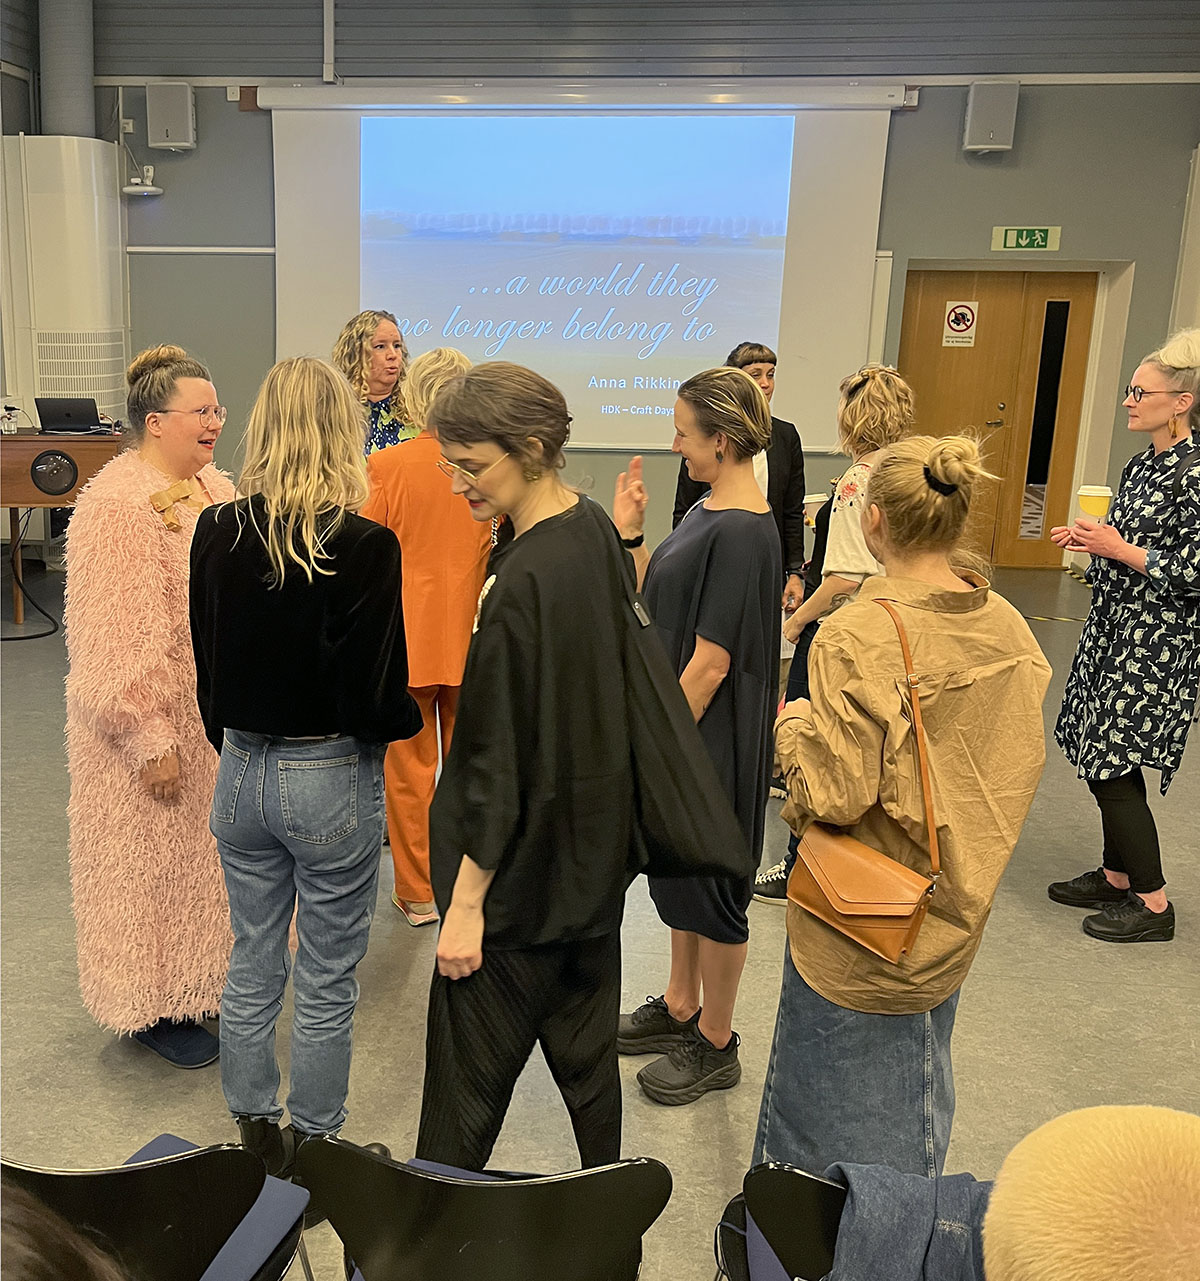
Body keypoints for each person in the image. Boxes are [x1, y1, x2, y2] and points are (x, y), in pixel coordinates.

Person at [755, 435, 1051, 1177]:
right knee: (916, 1096)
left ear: (874, 519)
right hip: (954, 904)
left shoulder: (859, 634)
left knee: (825, 1132)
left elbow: (835, 792)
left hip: (862, 925)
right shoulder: (1008, 627)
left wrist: (792, 725)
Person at [189, 356, 421, 1177]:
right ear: (340, 431)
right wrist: (397, 733)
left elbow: (207, 664)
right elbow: (376, 693)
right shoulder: (365, 545)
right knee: (326, 974)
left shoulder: (215, 531)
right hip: (327, 773)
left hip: (240, 766)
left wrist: (234, 741)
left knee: (253, 954)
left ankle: (255, 1133)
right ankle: (316, 1144)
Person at [415, 362, 637, 1171]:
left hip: (511, 898)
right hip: (584, 879)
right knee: (593, 1094)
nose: (458, 485)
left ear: (533, 449)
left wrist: (466, 904)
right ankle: (610, 1229)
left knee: (457, 1116)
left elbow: (500, 752)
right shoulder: (593, 531)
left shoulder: (518, 581)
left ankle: (427, 1231)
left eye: (472, 466)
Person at [63, 344, 234, 1069]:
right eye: (202, 411)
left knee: (198, 867)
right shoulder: (115, 506)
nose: (216, 422)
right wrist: (148, 736)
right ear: (156, 421)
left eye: (218, 410)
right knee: (145, 868)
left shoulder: (213, 487)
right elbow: (112, 639)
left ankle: (196, 982)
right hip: (150, 733)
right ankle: (150, 1003)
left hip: (207, 719)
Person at [615, 367, 781, 1105]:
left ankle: (715, 1039)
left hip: (709, 732)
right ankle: (681, 1002)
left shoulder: (744, 530)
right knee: (680, 869)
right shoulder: (708, 508)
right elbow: (661, 600)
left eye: (684, 433)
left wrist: (660, 744)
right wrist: (632, 531)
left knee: (713, 881)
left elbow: (711, 663)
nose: (675, 443)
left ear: (723, 439)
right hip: (688, 724)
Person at [1048, 328, 1200, 943]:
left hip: (1155, 644)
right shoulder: (1142, 465)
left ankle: (1153, 904)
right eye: (1130, 390)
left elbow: (1191, 571)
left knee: (1113, 764)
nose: (1128, 401)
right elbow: (1129, 545)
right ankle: (1117, 876)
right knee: (1098, 753)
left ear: (1182, 401)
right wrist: (1093, 542)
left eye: (1141, 392)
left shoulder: (1196, 473)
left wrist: (1119, 548)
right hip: (1113, 629)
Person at [754, 363, 916, 904]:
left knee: (815, 750)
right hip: (889, 628)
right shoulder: (907, 472)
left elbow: (845, 577)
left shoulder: (855, 482)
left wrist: (798, 621)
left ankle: (800, 864)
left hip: (839, 633)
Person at [361, 348, 492, 927]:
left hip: (405, 643)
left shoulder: (387, 466)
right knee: (472, 771)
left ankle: (417, 892)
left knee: (409, 777)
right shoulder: (488, 466)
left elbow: (366, 556)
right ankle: (469, 883)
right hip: (473, 641)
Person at [672, 341, 806, 614]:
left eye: (771, 374)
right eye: (756, 375)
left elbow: (792, 511)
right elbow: (685, 510)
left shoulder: (786, 436)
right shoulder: (704, 439)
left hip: (765, 562)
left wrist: (794, 572)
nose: (765, 384)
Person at [332, 308, 416, 454]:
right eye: (380, 347)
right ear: (356, 354)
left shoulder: (415, 410)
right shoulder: (337, 412)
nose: (393, 355)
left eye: (397, 346)